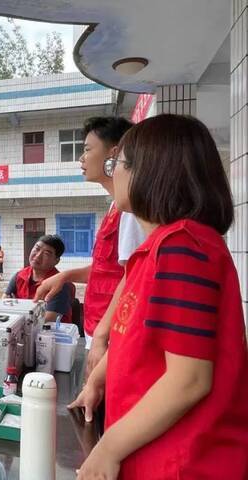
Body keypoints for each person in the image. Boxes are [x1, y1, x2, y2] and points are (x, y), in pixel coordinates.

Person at [71, 114, 248, 479]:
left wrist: (108, 448)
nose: (113, 173)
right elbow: (131, 338)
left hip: (183, 462)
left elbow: (190, 379)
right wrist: (97, 381)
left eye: (116, 163)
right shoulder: (154, 251)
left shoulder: (184, 247)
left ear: (149, 171)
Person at [35, 117, 146, 375]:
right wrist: (65, 276)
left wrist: (102, 336)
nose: (81, 159)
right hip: (99, 329)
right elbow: (107, 269)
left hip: (113, 336)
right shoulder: (114, 205)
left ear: (114, 153)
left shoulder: (130, 209)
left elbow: (133, 277)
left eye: (86, 149)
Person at [3, 235, 74, 323]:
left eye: (46, 253)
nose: (38, 255)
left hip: (50, 334)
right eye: (37, 249)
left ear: (56, 261)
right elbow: (4, 302)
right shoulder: (19, 276)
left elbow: (48, 319)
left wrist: (16, 308)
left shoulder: (59, 284)